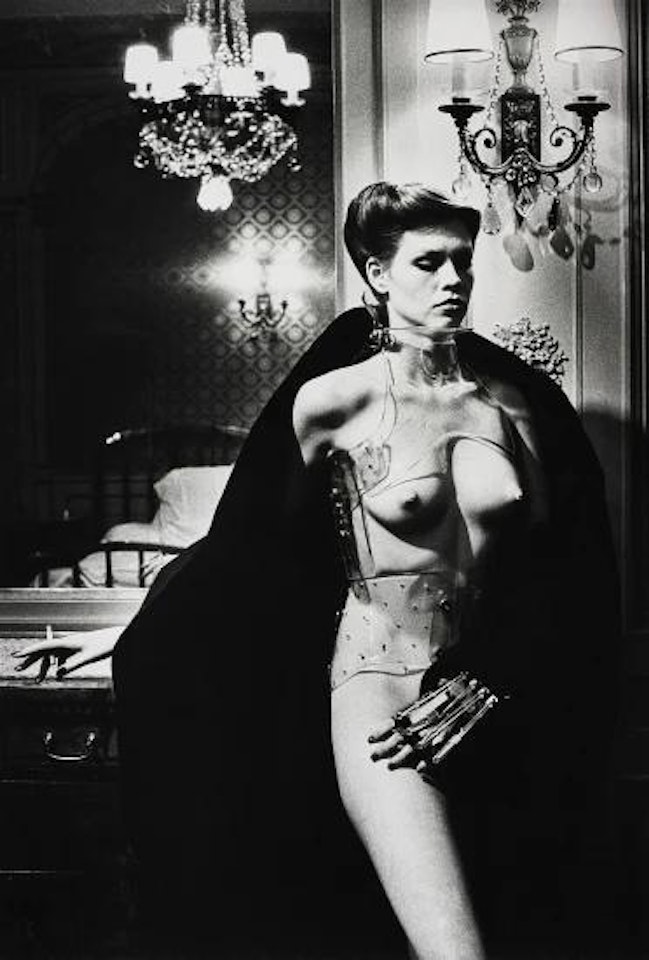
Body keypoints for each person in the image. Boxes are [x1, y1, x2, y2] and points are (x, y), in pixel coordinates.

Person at [17, 183, 619, 960]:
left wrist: (495, 673)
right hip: (384, 693)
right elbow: (249, 550)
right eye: (428, 262)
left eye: (462, 261)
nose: (453, 280)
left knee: (527, 928)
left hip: (488, 696)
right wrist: (126, 635)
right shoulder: (333, 400)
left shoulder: (512, 405)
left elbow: (559, 568)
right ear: (376, 272)